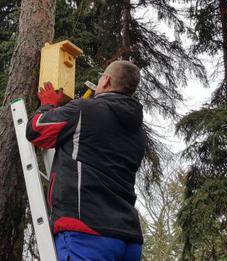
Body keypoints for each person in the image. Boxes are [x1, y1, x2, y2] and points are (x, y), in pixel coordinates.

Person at [26, 60, 145, 261]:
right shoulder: (138, 133)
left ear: (106, 81)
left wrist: (47, 105)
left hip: (86, 232)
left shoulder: (85, 110)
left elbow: (37, 129)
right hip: (128, 240)